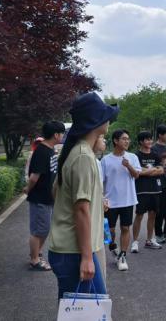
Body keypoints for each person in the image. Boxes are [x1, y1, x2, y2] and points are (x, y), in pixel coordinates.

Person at [47, 92, 118, 299]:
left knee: (83, 309)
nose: (108, 121)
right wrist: (87, 258)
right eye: (105, 116)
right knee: (83, 310)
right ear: (95, 121)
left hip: (71, 249)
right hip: (75, 252)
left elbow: (56, 193)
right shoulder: (84, 157)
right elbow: (80, 209)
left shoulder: (75, 152)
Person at [23, 121, 65, 271]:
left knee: (44, 229)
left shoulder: (50, 149)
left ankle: (37, 253)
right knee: (39, 230)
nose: (63, 136)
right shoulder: (42, 151)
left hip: (47, 197)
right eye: (62, 133)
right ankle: (35, 260)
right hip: (39, 197)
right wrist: (28, 189)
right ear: (56, 135)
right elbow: (34, 177)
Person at [102, 129, 140, 271]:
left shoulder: (132, 157)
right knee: (109, 230)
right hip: (110, 201)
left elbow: (136, 175)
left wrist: (128, 165)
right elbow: (101, 182)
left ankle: (123, 255)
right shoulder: (105, 160)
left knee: (125, 228)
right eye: (124, 139)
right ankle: (112, 246)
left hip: (127, 200)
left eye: (128, 139)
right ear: (115, 141)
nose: (127, 141)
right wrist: (102, 199)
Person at [132, 131, 165, 251]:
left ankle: (149, 240)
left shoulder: (155, 155)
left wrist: (145, 171)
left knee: (153, 215)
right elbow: (137, 172)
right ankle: (135, 242)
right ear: (141, 141)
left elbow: (161, 170)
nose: (150, 141)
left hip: (155, 190)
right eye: (147, 139)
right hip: (142, 190)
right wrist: (152, 170)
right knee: (139, 215)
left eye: (151, 139)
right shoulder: (136, 156)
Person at [93, 135, 108, 288]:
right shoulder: (85, 161)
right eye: (102, 137)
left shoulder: (96, 162)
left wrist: (102, 200)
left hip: (96, 222)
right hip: (90, 230)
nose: (104, 141)